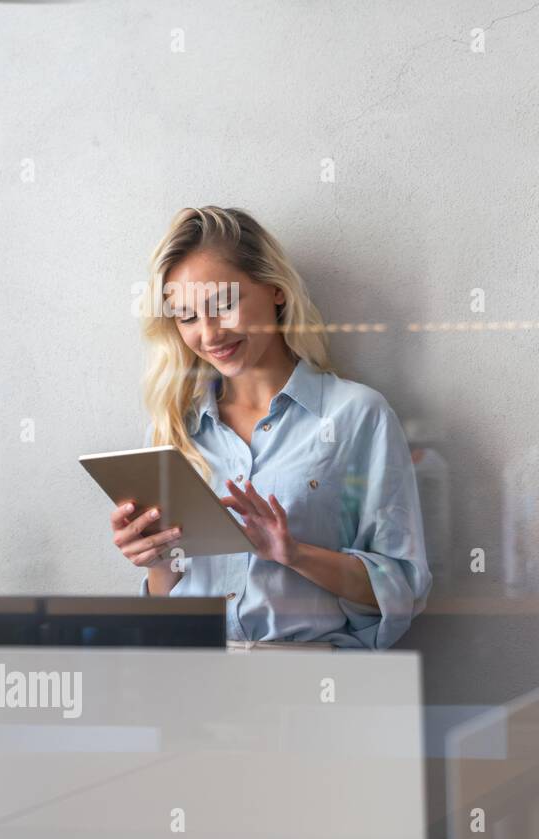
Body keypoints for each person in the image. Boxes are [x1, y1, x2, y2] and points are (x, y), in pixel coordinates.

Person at [111, 206, 431, 649]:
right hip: (190, 681)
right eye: (186, 317)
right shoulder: (174, 431)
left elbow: (402, 589)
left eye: (223, 304)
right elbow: (168, 603)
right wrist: (156, 559)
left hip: (309, 690)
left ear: (275, 290)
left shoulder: (356, 416)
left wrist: (294, 554)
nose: (209, 334)